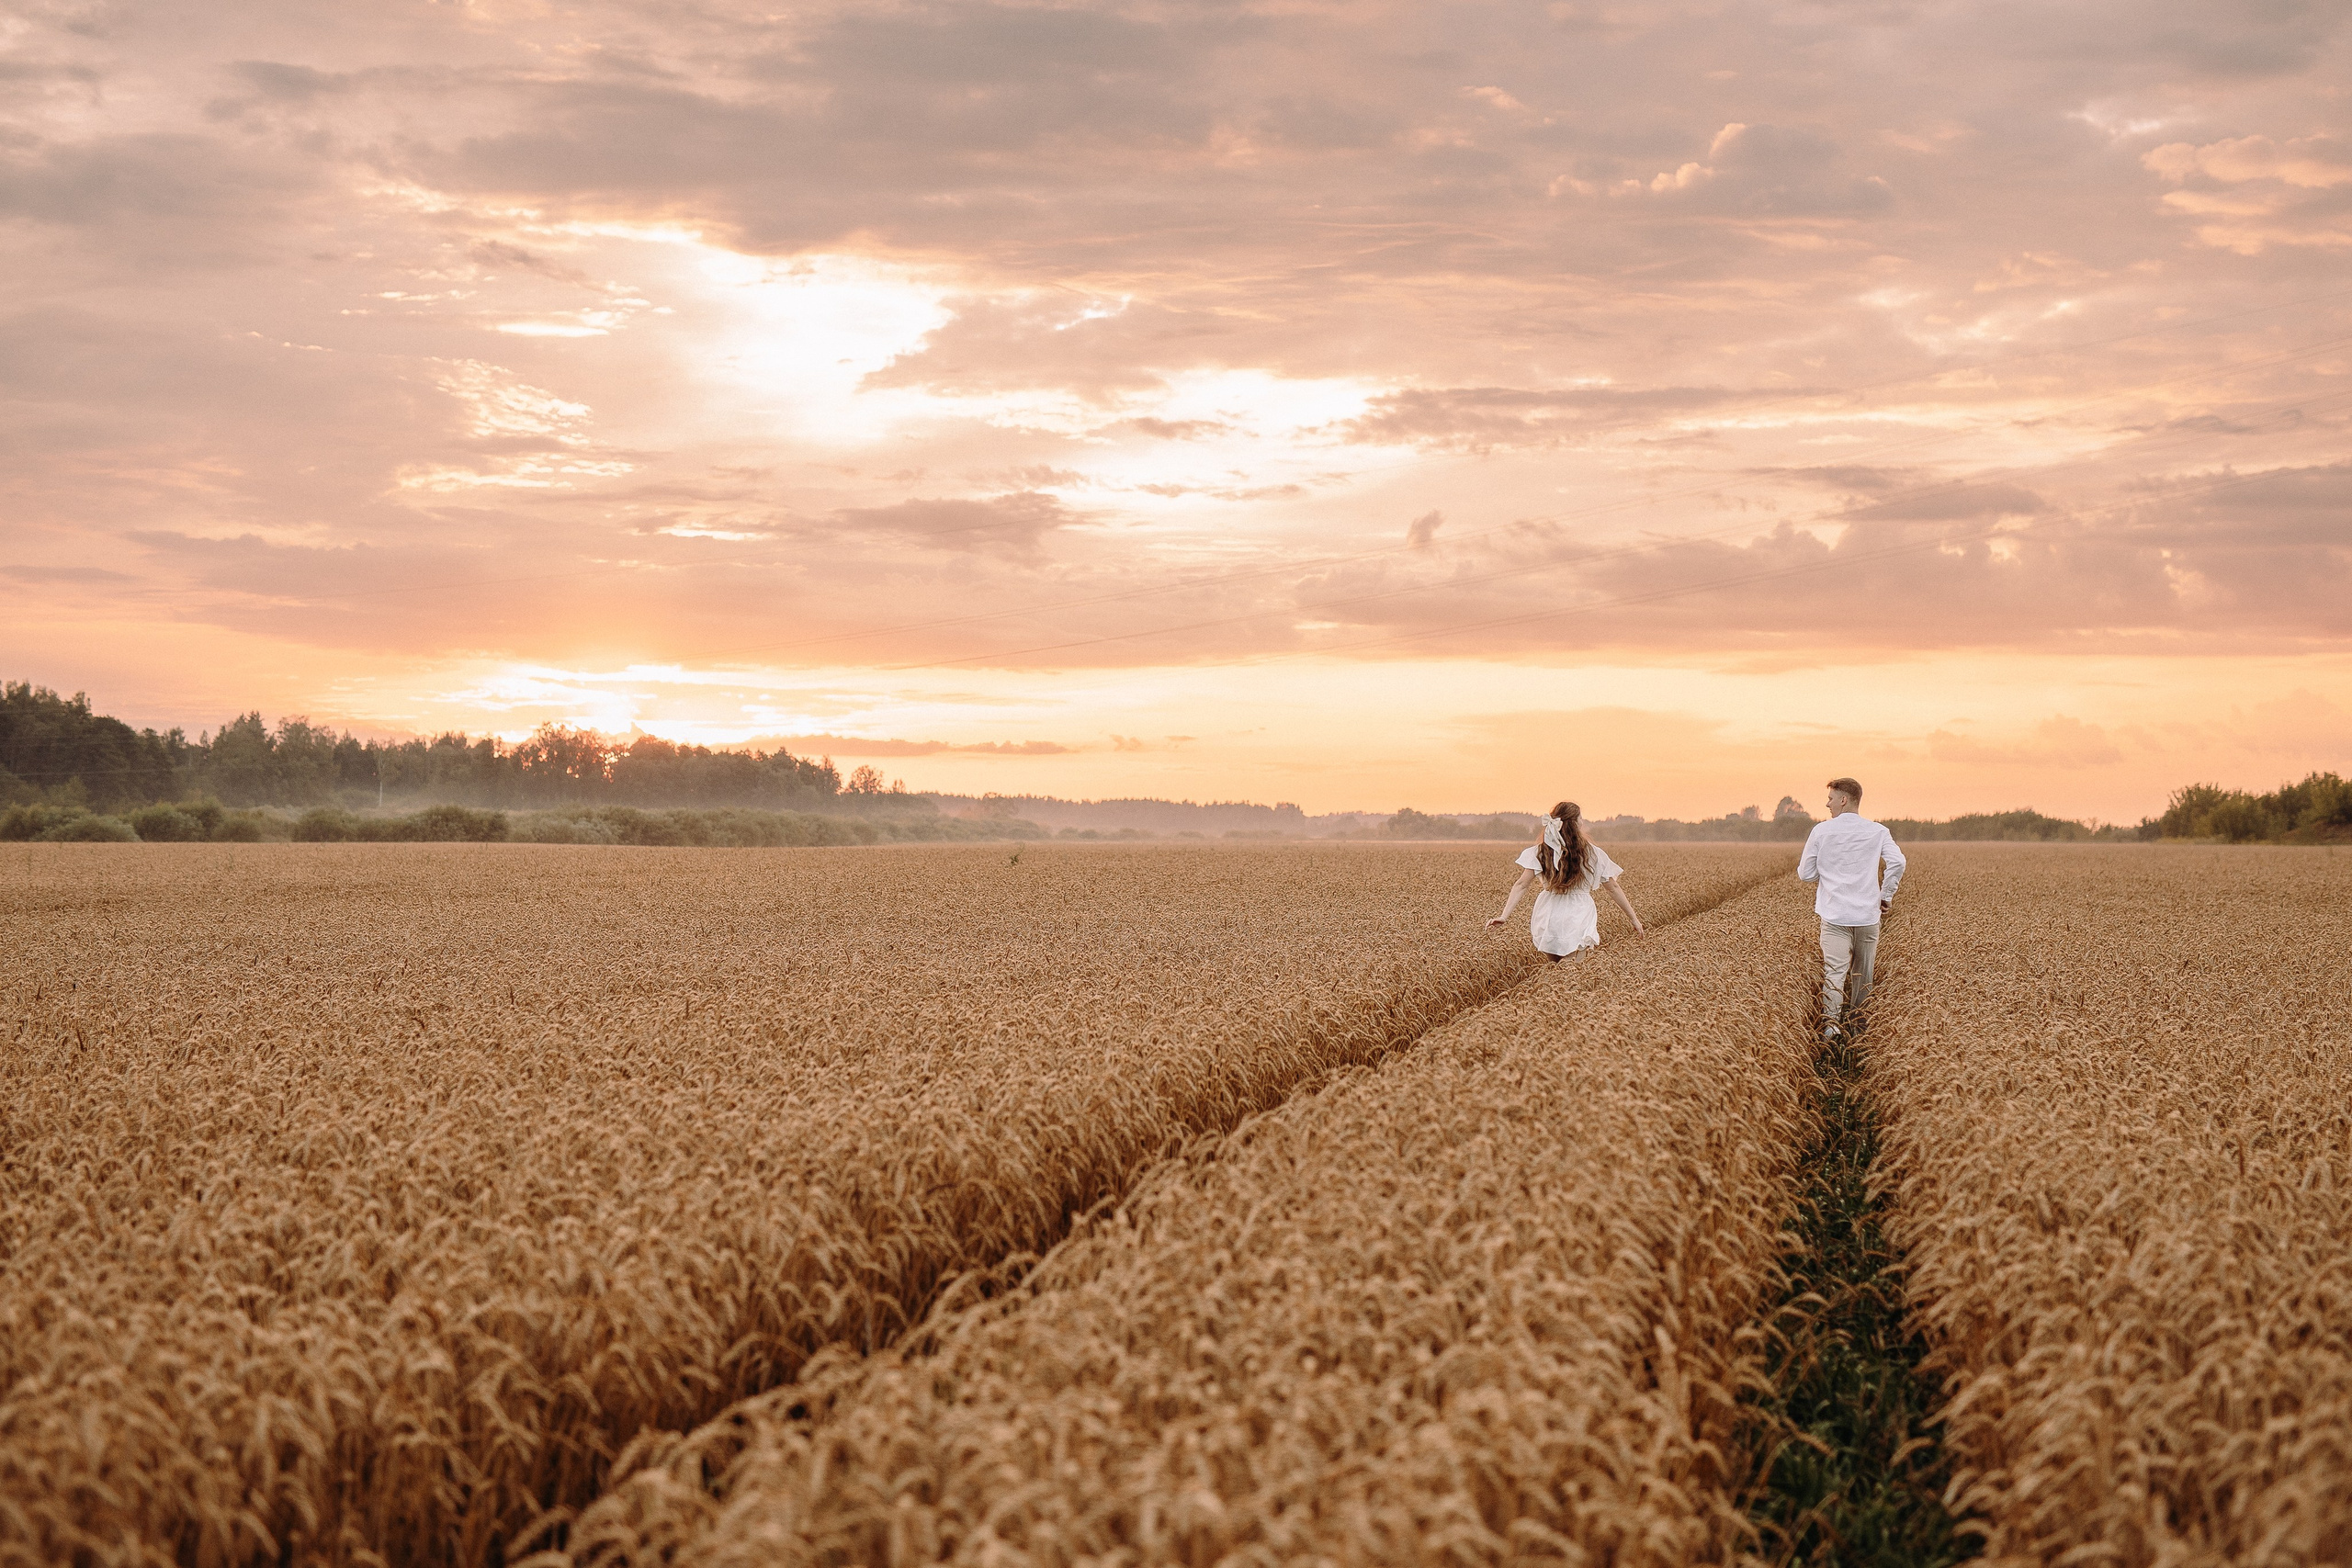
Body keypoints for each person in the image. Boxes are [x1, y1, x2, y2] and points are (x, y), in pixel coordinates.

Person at [1798, 776, 1905, 1039]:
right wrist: (1886, 895)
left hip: (1835, 917)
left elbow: (1805, 874)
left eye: (1831, 798)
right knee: (1862, 976)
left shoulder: (1821, 832)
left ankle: (1831, 1029)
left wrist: (1829, 875)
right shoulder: (1878, 831)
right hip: (1868, 917)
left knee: (1834, 973)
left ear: (1844, 800)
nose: (1827, 804)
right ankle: (1858, 1032)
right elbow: (1898, 863)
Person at [1487, 800, 1644, 959]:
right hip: (1578, 913)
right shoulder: (1591, 853)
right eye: (1581, 818)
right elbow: (1613, 888)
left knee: (1555, 973)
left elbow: (1521, 884)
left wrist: (1504, 916)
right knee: (1571, 975)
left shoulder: (1541, 851)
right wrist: (1634, 919)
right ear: (1576, 823)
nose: (1582, 821)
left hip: (1548, 913)